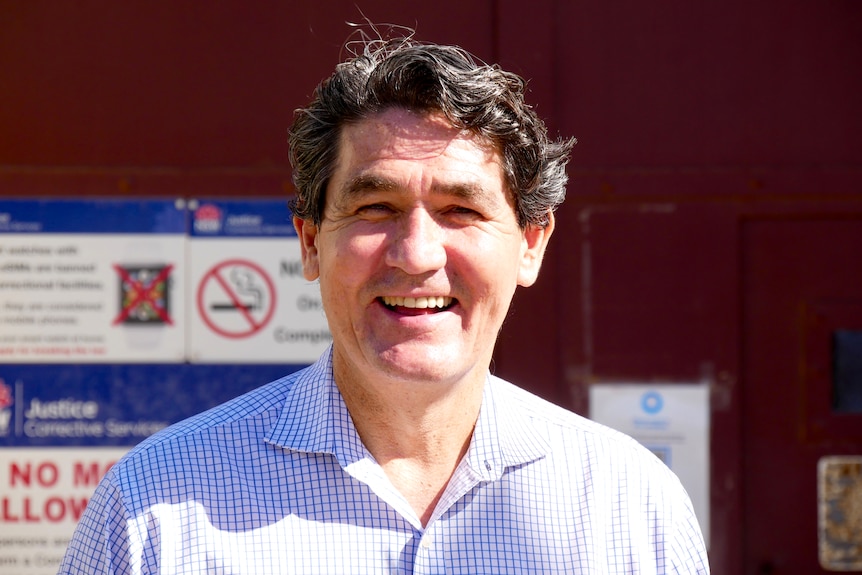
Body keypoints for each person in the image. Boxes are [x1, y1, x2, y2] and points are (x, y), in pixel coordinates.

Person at [59, 35, 710, 574]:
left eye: (461, 210)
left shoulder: (629, 507)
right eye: (376, 208)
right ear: (311, 242)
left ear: (531, 245)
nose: (417, 253)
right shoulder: (150, 513)